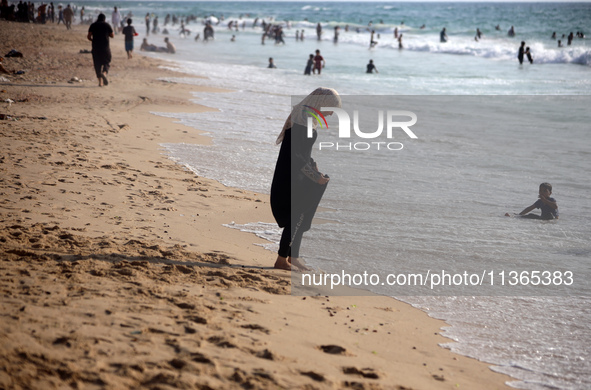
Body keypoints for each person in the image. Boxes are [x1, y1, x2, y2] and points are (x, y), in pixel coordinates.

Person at [271, 87, 341, 270]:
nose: (332, 113)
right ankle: (281, 259)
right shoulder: (304, 121)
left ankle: (293, 257)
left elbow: (303, 152)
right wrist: (313, 175)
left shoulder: (305, 116)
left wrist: (313, 167)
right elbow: (296, 155)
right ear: (322, 103)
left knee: (301, 214)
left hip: (295, 171)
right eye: (331, 108)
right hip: (292, 176)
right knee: (297, 215)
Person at [87, 13, 114, 87]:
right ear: (104, 19)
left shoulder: (93, 25)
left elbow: (89, 36)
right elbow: (112, 35)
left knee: (97, 64)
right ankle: (104, 73)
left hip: (96, 48)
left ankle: (100, 83)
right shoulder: (107, 25)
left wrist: (92, 40)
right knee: (107, 62)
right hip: (105, 48)